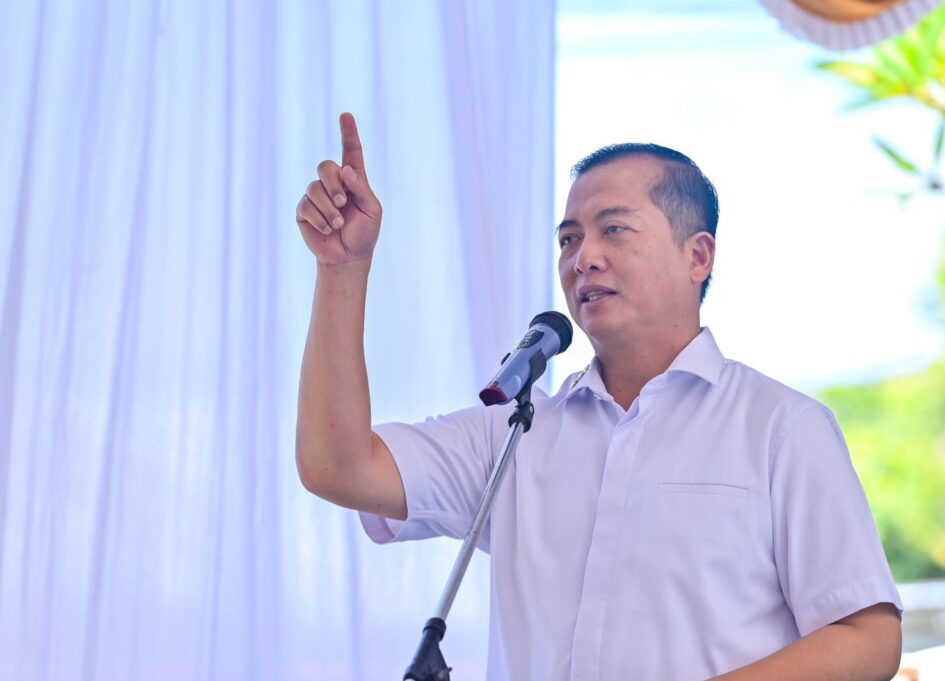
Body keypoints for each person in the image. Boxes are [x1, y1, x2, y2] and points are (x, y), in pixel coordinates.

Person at [295, 113, 904, 681]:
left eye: (614, 229)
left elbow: (868, 637)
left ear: (697, 256)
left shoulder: (781, 428)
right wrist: (343, 269)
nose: (583, 258)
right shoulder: (515, 436)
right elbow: (337, 466)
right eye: (568, 240)